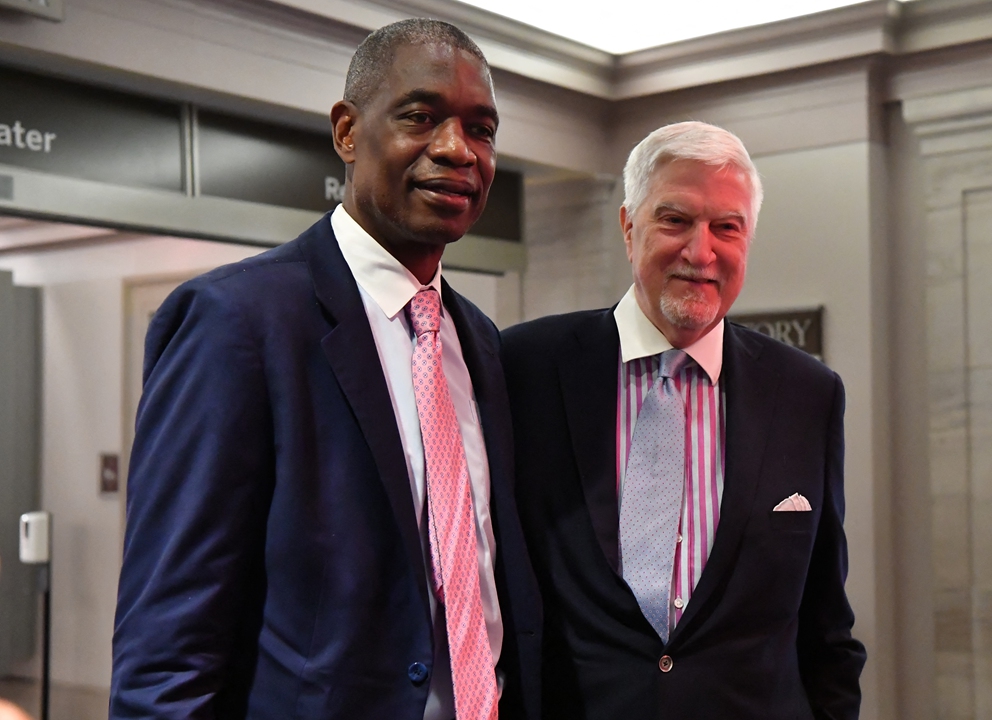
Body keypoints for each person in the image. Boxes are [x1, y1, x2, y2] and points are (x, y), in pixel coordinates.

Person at [110, 20, 540, 720]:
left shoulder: (480, 344)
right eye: (421, 117)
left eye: (481, 129)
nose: (457, 150)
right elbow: (170, 639)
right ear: (346, 131)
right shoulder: (237, 322)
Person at [501, 121, 866, 720]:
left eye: (727, 227)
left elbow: (827, 626)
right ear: (628, 226)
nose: (702, 252)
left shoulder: (807, 393)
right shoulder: (524, 369)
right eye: (675, 221)